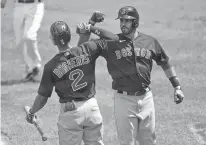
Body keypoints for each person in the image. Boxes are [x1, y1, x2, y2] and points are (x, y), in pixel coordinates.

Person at [78, 6, 185, 145]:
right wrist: (90, 25)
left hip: (146, 99)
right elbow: (81, 50)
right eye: (121, 20)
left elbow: (165, 62)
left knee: (149, 141)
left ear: (135, 22)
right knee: (127, 142)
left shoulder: (150, 41)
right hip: (124, 100)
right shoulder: (110, 42)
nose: (123, 23)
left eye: (127, 20)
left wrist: (177, 86)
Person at [24, 13, 119, 145]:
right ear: (69, 36)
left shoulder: (51, 66)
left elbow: (42, 98)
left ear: (53, 40)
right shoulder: (87, 49)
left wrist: (31, 113)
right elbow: (113, 38)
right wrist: (91, 27)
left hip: (71, 113)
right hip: (92, 108)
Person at [1, 0, 44, 81]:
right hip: (19, 6)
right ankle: (30, 70)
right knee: (19, 41)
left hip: (35, 5)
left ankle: (35, 66)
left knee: (29, 36)